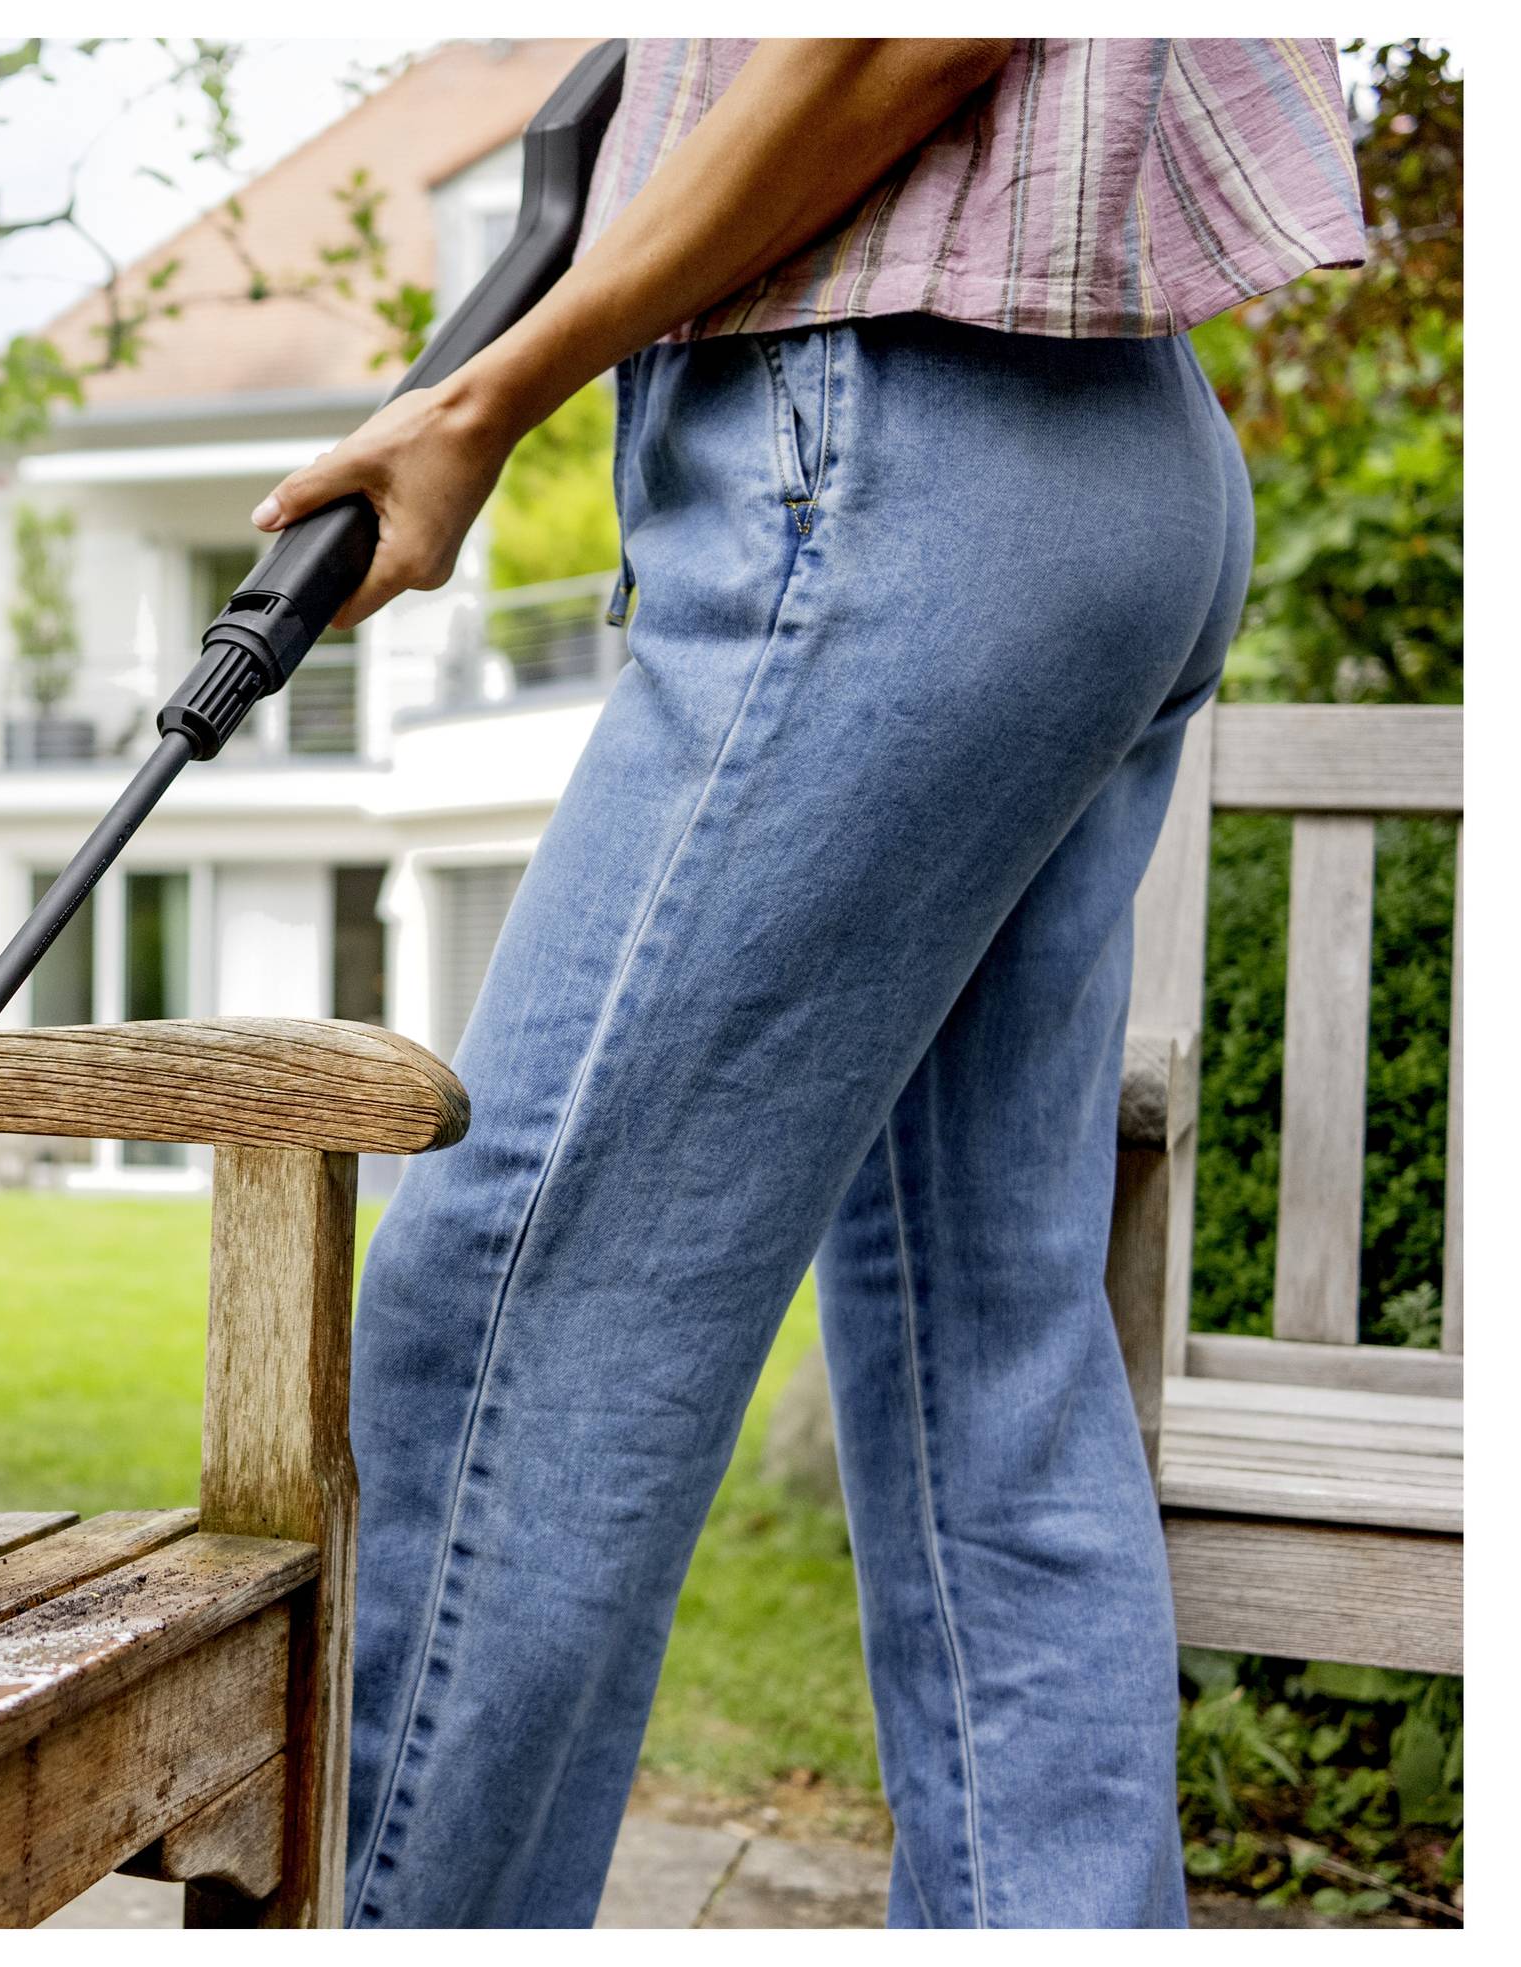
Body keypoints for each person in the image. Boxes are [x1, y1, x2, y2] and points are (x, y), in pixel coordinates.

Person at [248, 38, 1365, 1928]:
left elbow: (899, 39)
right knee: (981, 1355)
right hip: (1121, 463)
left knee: (506, 1302)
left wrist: (496, 393)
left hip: (890, 452)